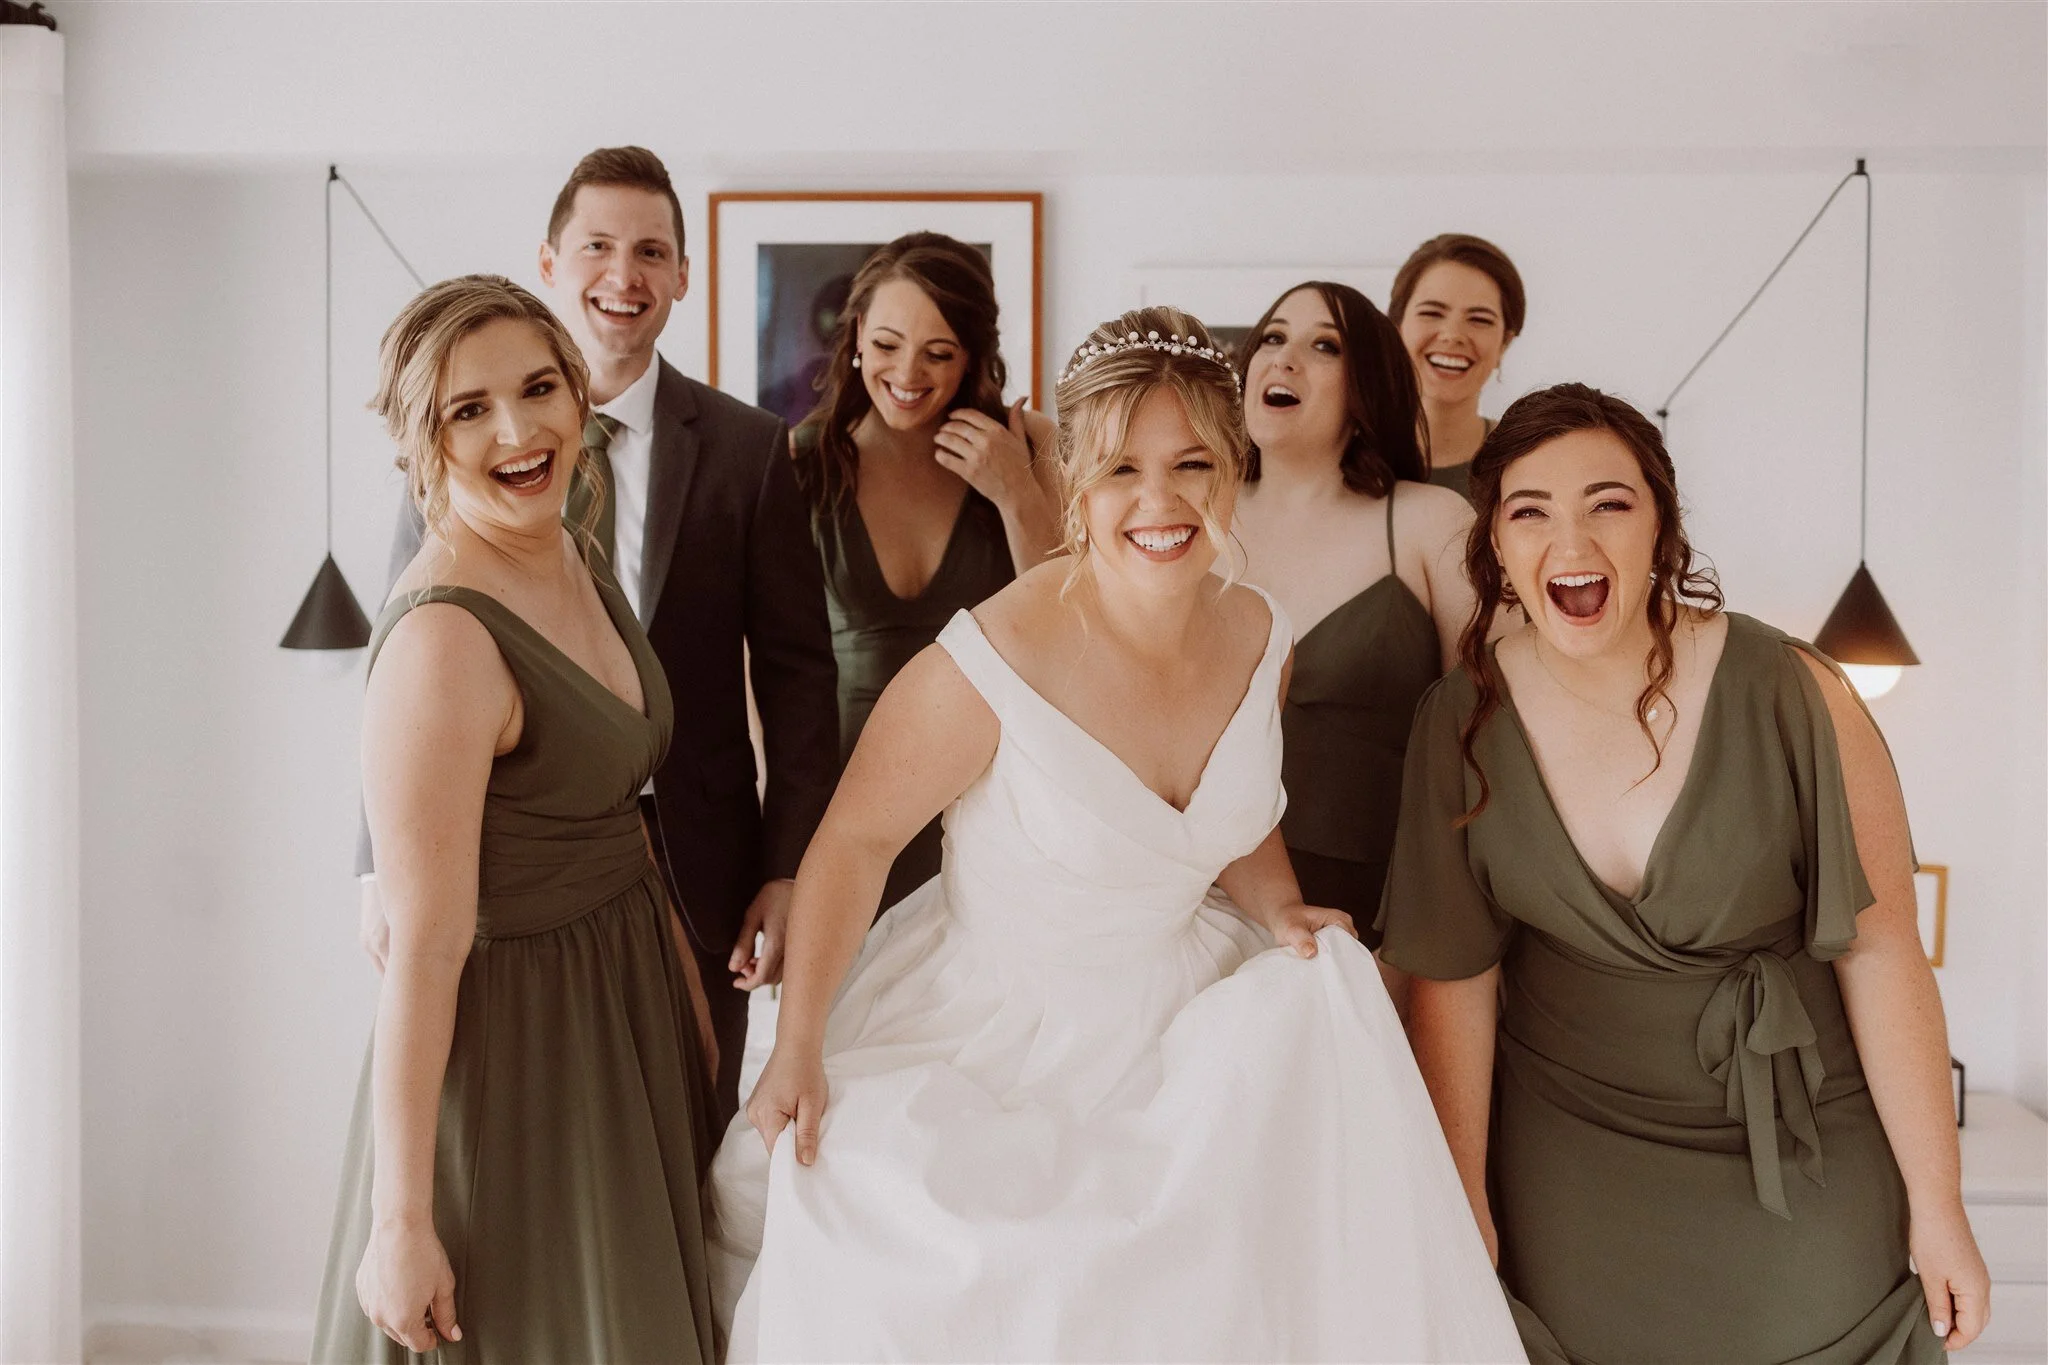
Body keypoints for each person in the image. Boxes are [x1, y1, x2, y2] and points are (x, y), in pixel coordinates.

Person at [707, 307, 1525, 1364]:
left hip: (1192, 1020)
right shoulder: (986, 660)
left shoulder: (1261, 631)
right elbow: (855, 844)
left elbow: (1237, 812)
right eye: (1120, 470)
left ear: (1230, 469)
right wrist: (799, 1047)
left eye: (1191, 464)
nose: (1158, 501)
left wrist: (1279, 906)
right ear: (1076, 485)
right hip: (998, 1035)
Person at [1379, 383, 1990, 1363]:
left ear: (1661, 526)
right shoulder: (1457, 724)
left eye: (1608, 503)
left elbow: (1881, 955)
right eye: (1529, 511)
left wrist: (1940, 1206)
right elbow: (1454, 983)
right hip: (1571, 1166)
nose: (1570, 541)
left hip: (1802, 1154)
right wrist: (1463, 1204)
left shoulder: (1798, 691)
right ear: (1494, 543)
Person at [357, 147, 839, 1120]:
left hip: (699, 862)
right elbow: (400, 665)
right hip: (506, 864)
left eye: (651, 251)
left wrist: (788, 866)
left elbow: (798, 675)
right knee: (519, 1122)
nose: (624, 274)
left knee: (691, 1134)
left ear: (682, 276)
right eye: (597, 246)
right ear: (549, 262)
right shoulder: (455, 443)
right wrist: (375, 865)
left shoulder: (749, 449)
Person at [312, 277, 717, 1361]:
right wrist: (401, 1223)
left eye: (539, 388)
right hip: (518, 1054)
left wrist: (684, 1002)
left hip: (623, 999)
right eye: (469, 409)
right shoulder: (442, 643)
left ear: (579, 394)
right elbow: (425, 951)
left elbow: (624, 820)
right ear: (424, 441)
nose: (518, 431)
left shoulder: (570, 540)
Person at [791, 232, 1059, 912]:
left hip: (992, 799)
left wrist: (1016, 495)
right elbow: (760, 664)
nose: (907, 373)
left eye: (938, 353)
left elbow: (1073, 625)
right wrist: (779, 839)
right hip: (839, 797)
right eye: (887, 344)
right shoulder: (800, 462)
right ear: (857, 335)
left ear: (972, 355)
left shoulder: (1032, 446)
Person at [1233, 281, 1474, 964]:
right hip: (1199, 897)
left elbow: (1490, 732)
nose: (1284, 358)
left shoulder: (1431, 522)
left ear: (1368, 386)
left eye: (1325, 346)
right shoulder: (1186, 519)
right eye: (1272, 337)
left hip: (1376, 915)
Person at [1388, 234, 1524, 505]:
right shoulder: (1336, 456)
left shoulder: (1527, 459)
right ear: (1396, 328)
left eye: (1479, 319)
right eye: (1431, 313)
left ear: (1504, 343)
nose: (1452, 335)